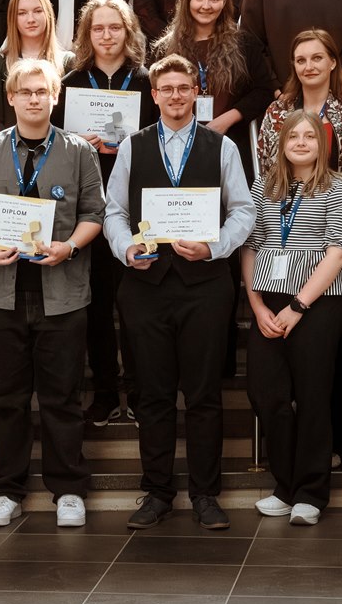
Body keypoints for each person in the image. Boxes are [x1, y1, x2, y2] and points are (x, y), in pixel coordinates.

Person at [105, 55, 257, 530]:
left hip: (205, 286)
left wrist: (214, 248)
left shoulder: (222, 146)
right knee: (152, 395)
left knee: (204, 394)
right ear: (154, 96)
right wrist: (126, 248)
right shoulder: (133, 147)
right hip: (145, 286)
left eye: (183, 88)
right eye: (166, 89)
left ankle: (206, 495)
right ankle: (157, 493)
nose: (175, 96)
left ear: (196, 93)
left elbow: (244, 212)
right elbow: (114, 212)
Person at [0, 58, 105, 527]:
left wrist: (69, 247)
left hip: (62, 294)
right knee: (7, 399)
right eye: (25, 91)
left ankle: (69, 489)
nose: (34, 99)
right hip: (1, 293)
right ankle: (7, 489)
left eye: (42, 91)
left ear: (55, 97)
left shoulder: (79, 151)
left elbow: (94, 214)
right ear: (11, 97)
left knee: (62, 398)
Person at [241, 109, 342, 524]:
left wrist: (298, 306)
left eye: (309, 136)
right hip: (268, 299)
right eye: (292, 135)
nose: (300, 142)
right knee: (267, 393)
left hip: (321, 300)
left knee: (313, 394)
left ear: (322, 144)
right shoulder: (264, 186)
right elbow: (250, 246)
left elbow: (340, 251)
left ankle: (310, 492)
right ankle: (285, 485)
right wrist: (257, 305)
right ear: (281, 143)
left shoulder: (340, 188)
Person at [57, 0, 160, 427]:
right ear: (86, 33)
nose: (106, 35)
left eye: (114, 27)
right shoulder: (71, 82)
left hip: (137, 206)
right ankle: (103, 391)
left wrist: (132, 146)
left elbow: (161, 139)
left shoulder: (147, 80)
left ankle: (137, 390)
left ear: (128, 31)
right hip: (86, 207)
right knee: (96, 303)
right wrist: (79, 144)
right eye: (97, 28)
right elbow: (55, 141)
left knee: (135, 301)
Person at [152, 0, 274, 176]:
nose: (206, 6)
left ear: (225, 2)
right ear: (187, 0)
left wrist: (226, 120)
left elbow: (263, 90)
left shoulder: (244, 44)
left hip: (231, 142)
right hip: (177, 146)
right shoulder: (165, 49)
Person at [256, 29, 342, 183]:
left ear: (332, 62)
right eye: (301, 60)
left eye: (317, 58)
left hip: (337, 197)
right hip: (285, 197)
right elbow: (266, 169)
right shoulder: (276, 112)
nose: (309, 67)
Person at [0, 0, 70, 131]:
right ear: (12, 18)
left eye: (38, 11)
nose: (31, 19)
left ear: (48, 14)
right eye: (22, 13)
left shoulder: (69, 62)